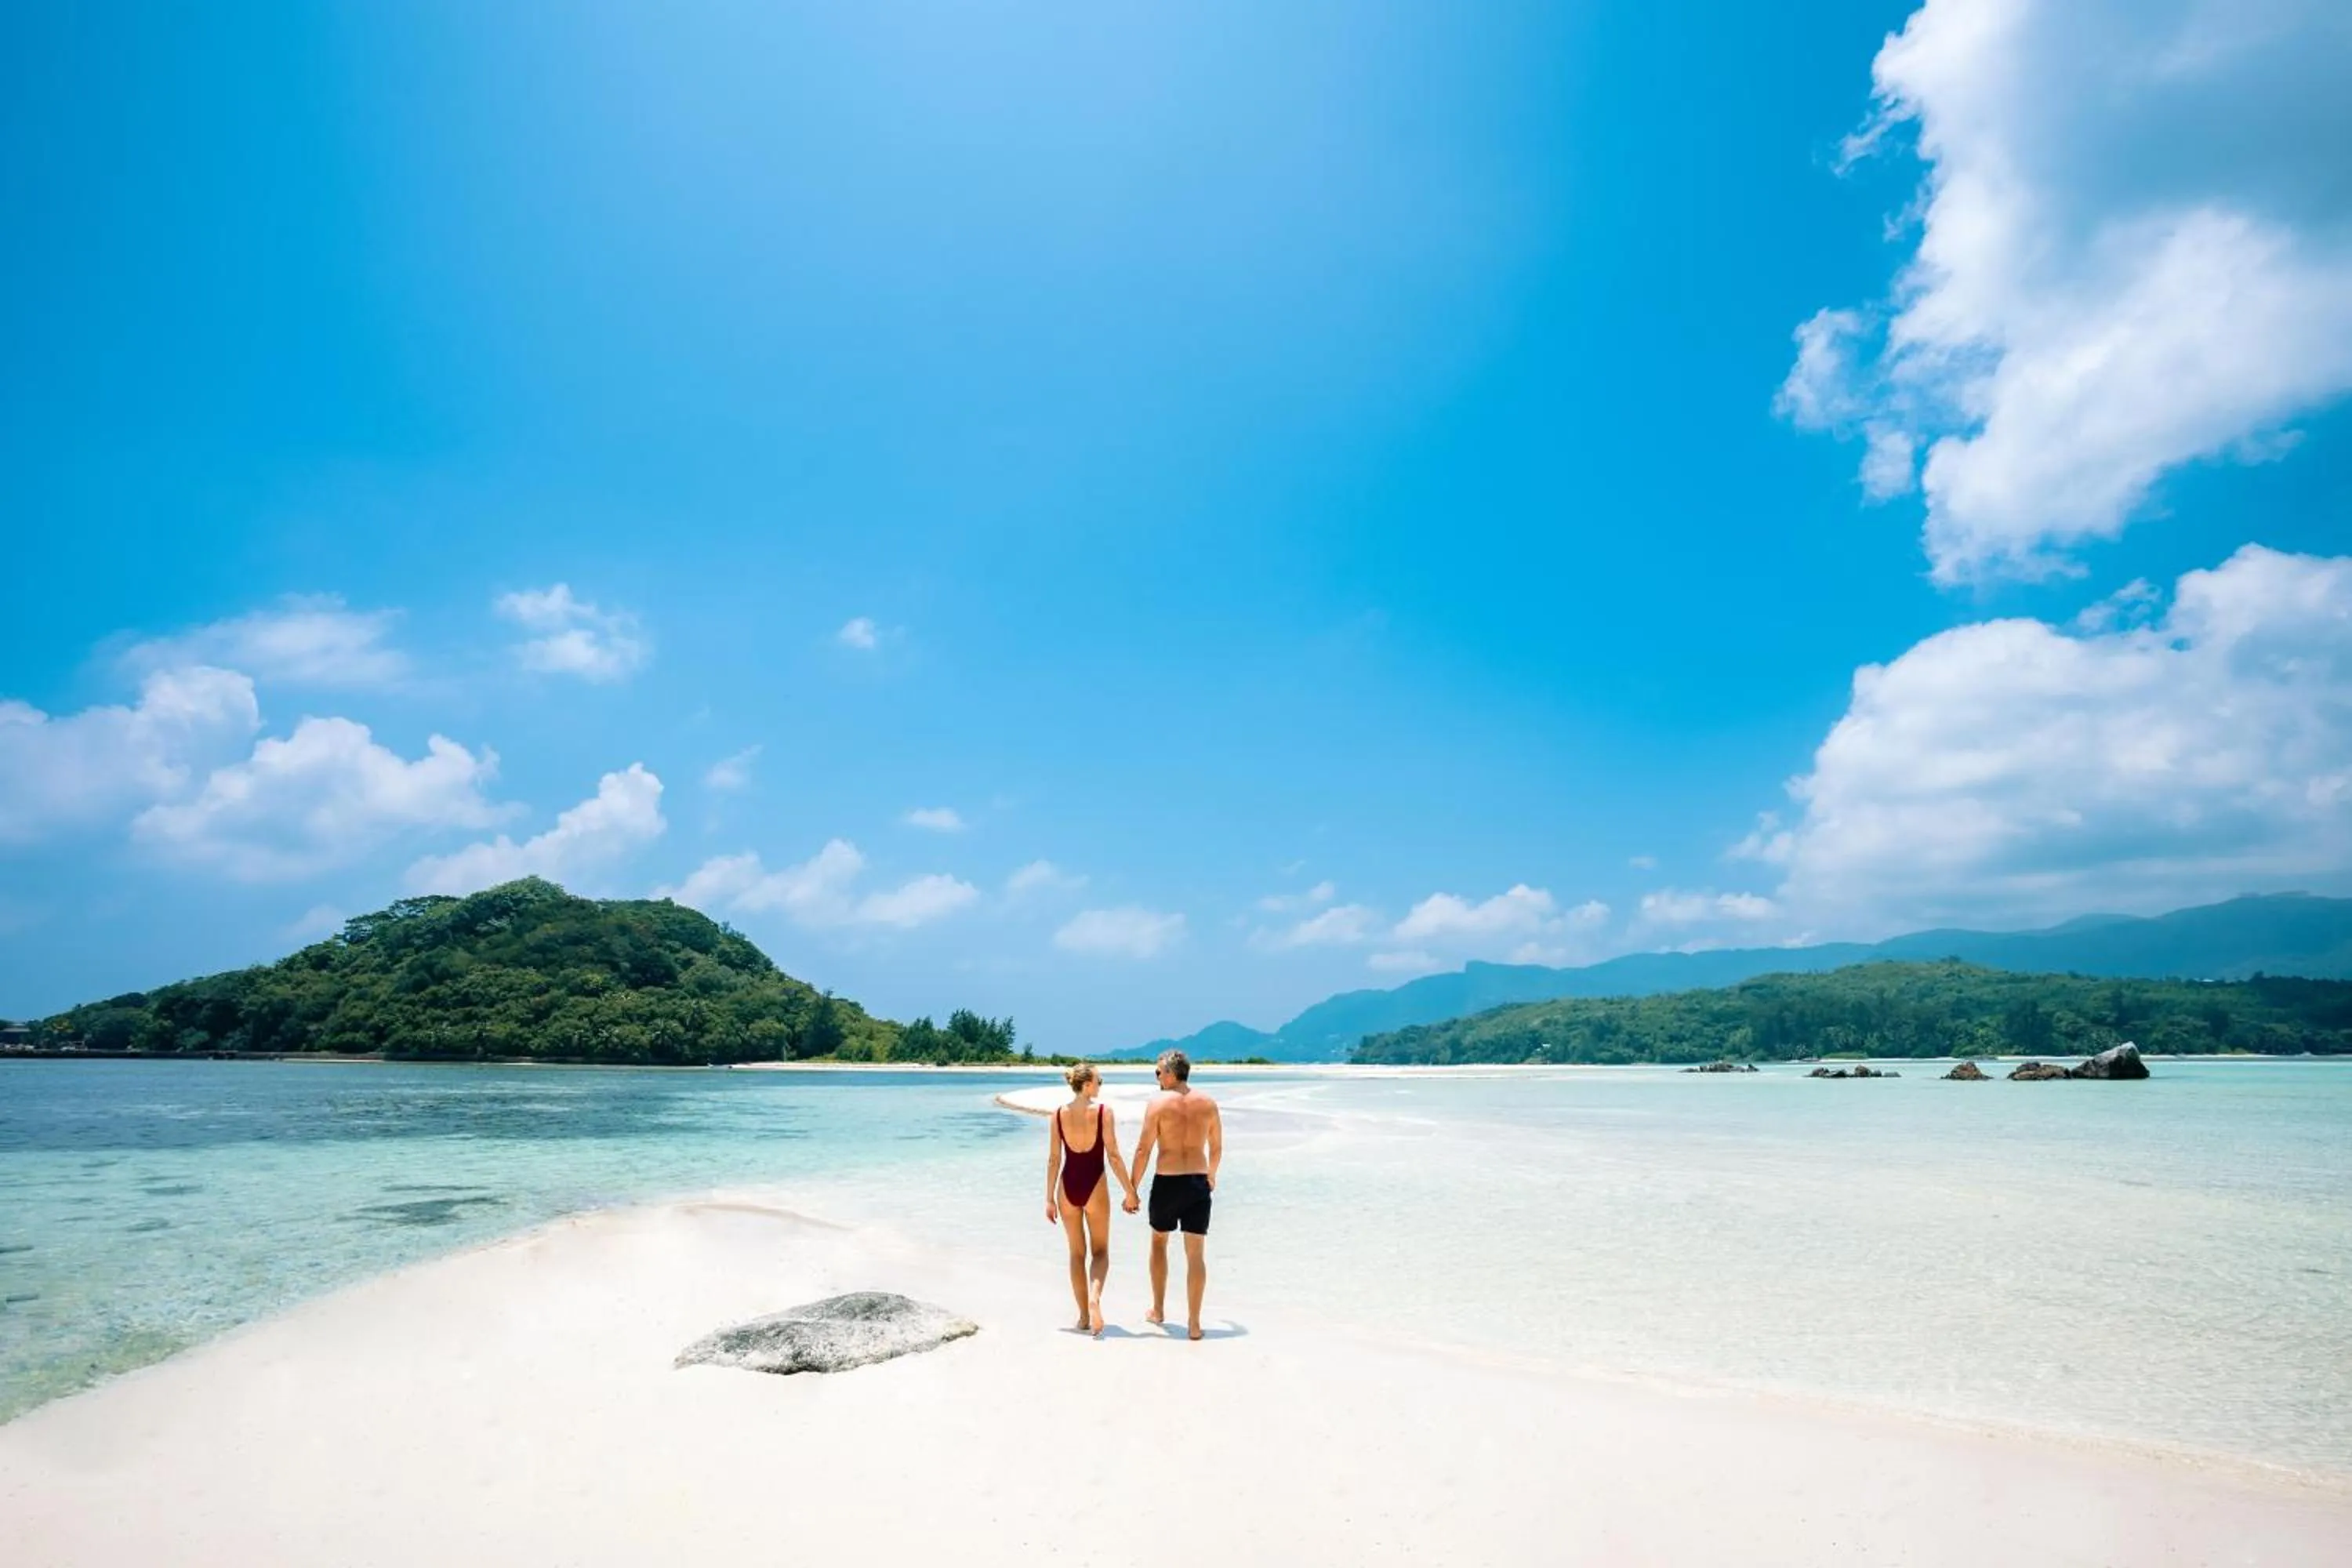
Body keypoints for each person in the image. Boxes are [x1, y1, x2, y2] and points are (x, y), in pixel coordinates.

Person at [1127, 1048, 1222, 1341]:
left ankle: (1158, 1310)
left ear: (1170, 1073)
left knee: (1159, 1242)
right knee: (1196, 1254)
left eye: (1158, 1072)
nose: (1157, 1077)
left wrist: (1132, 1189)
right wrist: (1211, 1175)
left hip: (1167, 1183)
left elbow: (1143, 1150)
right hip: (1197, 1183)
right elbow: (1216, 1147)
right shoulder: (1208, 1103)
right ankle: (1194, 1324)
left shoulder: (1157, 1104)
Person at [1044, 1062, 1138, 1337]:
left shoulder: (1057, 1115)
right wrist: (1130, 1191)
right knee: (1100, 1252)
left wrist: (1049, 1199)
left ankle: (1084, 1317)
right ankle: (1095, 1299)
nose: (1101, 1084)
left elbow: (1054, 1159)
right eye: (1099, 1080)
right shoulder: (1103, 1112)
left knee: (1076, 1254)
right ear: (1086, 1085)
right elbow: (1114, 1155)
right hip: (1095, 1185)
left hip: (1067, 1188)